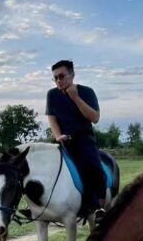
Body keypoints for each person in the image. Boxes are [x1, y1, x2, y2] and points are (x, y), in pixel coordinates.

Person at [45, 60, 106, 220]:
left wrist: (75, 97)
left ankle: (98, 206)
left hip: (84, 138)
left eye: (62, 76)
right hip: (63, 140)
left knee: (91, 165)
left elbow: (95, 118)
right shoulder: (52, 95)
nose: (59, 80)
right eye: (55, 78)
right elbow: (51, 118)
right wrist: (58, 136)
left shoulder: (87, 92)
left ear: (72, 74)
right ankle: (43, 207)